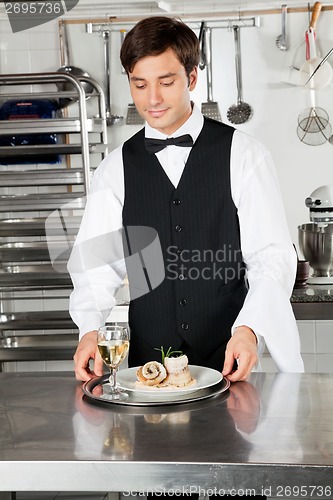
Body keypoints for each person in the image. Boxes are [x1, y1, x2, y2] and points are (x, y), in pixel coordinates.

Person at [68, 16, 304, 384]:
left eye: (166, 82)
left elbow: (271, 257)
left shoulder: (244, 155)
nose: (153, 99)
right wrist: (88, 329)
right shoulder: (114, 169)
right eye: (140, 84)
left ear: (192, 78)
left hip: (230, 360)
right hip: (148, 374)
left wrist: (250, 329)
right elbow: (94, 268)